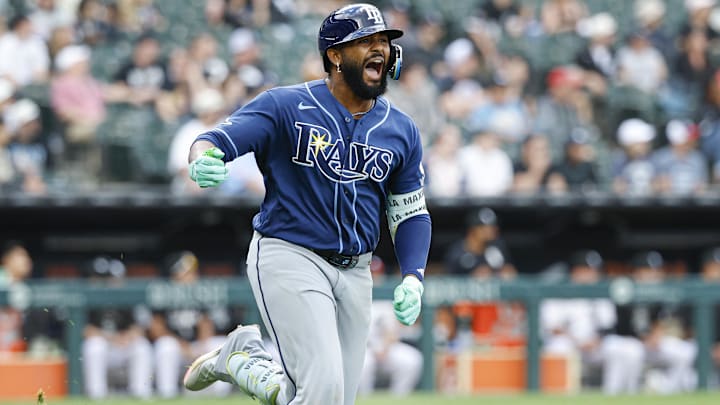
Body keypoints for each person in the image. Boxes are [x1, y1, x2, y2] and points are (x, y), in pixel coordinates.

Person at [181, 4, 432, 405]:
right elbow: (214, 140)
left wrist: (414, 276)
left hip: (357, 271)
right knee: (323, 392)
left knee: (332, 398)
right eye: (365, 41)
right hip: (290, 255)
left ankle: (246, 364)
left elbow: (410, 212)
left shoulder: (401, 129)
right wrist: (201, 158)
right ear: (334, 55)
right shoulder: (285, 105)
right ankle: (248, 363)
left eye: (384, 41)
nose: (380, 49)